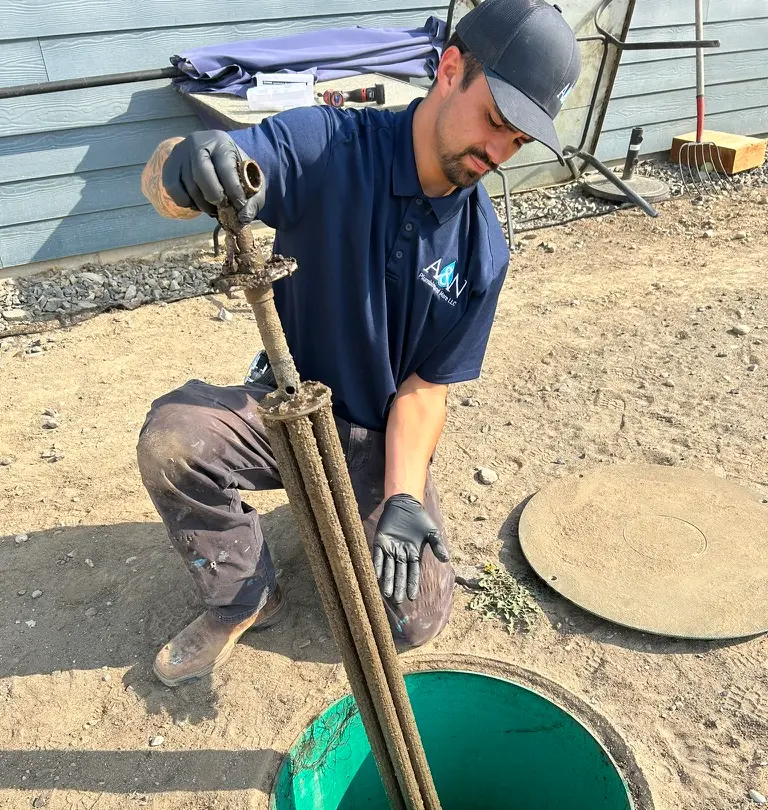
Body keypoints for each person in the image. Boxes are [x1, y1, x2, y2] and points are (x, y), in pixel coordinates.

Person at [137, 0, 580, 687]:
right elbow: (185, 176)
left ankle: (354, 506)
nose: (497, 153)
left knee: (412, 620)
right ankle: (244, 595)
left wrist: (403, 499)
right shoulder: (328, 147)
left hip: (376, 433)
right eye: (496, 120)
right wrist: (183, 164)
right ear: (451, 70)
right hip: (283, 407)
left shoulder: (482, 252)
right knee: (173, 441)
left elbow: (425, 388)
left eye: (518, 142)